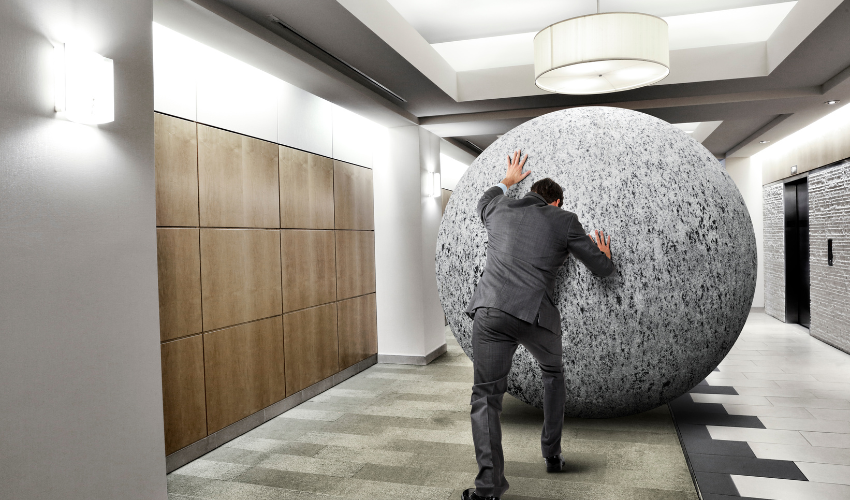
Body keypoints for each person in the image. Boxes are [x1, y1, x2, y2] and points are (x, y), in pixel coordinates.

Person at [461, 150, 615, 500]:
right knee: (553, 374)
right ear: (556, 201)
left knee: (485, 398)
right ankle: (552, 453)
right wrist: (604, 256)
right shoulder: (564, 220)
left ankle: (487, 490)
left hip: (491, 312)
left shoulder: (499, 207)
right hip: (535, 317)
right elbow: (602, 269)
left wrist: (508, 179)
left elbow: (485, 198)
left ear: (531, 192)